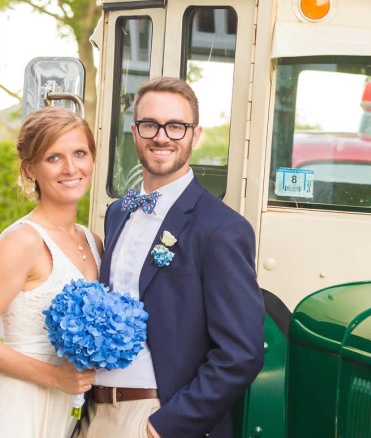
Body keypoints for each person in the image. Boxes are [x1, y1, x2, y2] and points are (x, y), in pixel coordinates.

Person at [78, 77, 264, 438]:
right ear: (135, 133)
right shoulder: (118, 213)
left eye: (176, 127)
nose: (161, 137)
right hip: (94, 412)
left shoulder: (222, 228)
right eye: (150, 125)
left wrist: (164, 426)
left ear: (195, 135)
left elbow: (241, 353)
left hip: (155, 415)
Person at [0, 107, 101, 437]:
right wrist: (55, 377)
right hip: (21, 407)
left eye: (80, 153)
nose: (71, 168)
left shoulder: (94, 241)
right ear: (31, 168)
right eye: (53, 158)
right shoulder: (22, 241)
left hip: (70, 413)